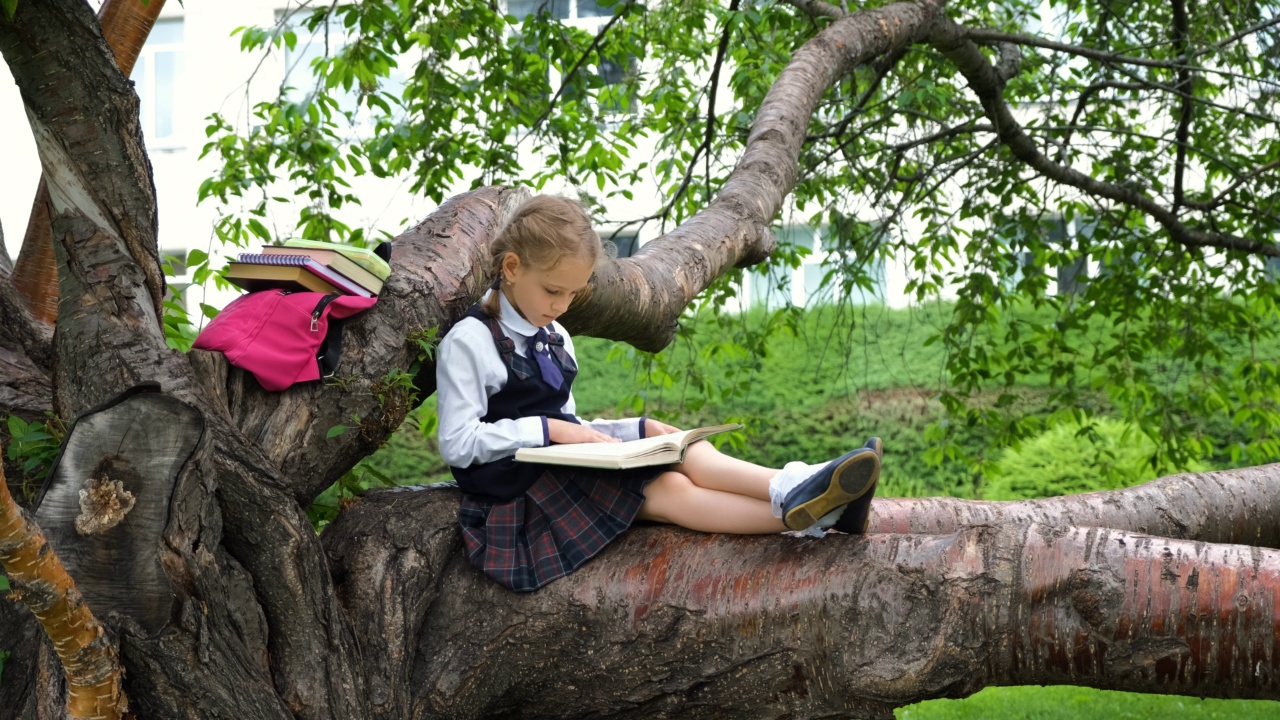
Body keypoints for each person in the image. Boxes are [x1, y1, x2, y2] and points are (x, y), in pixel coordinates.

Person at [436, 195, 881, 592]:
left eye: (573, 294)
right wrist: (546, 429)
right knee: (668, 490)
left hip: (557, 471)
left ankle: (795, 484)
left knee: (683, 446)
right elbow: (458, 444)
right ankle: (826, 513)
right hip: (516, 499)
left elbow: (570, 427)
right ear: (512, 268)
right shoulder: (470, 341)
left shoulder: (554, 336)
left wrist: (629, 430)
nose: (562, 307)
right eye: (553, 291)